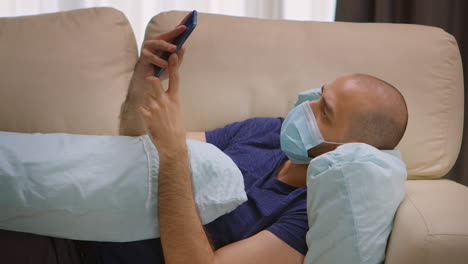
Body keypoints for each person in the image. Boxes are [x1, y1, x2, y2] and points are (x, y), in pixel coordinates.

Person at [77, 19, 408, 264]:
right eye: (319, 95)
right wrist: (143, 81)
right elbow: (141, 147)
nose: (306, 107)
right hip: (77, 217)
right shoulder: (268, 132)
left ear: (348, 149)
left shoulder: (306, 215)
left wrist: (174, 152)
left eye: (325, 114)